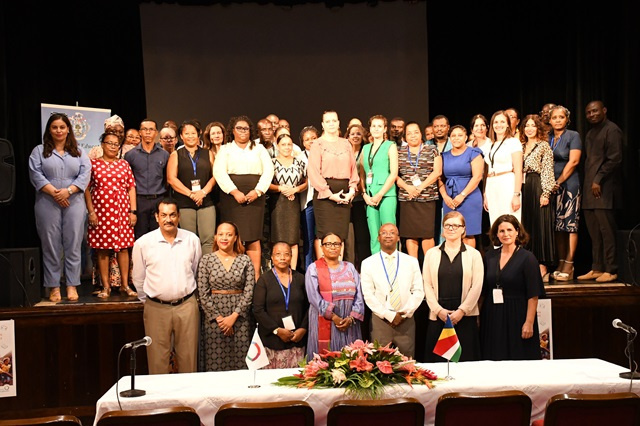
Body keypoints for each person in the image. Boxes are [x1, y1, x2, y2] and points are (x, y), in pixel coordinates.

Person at [132, 198, 202, 374]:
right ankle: (161, 401)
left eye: (172, 215)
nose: (168, 219)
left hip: (187, 306)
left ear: (179, 216)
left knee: (189, 360)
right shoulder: (143, 243)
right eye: (163, 215)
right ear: (157, 217)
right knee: (157, 361)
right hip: (156, 307)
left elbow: (196, 270)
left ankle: (187, 401)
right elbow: (139, 278)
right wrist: (148, 300)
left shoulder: (192, 240)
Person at [28, 113, 91, 302]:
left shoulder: (79, 152)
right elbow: (35, 174)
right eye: (55, 127)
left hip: (75, 202)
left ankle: (72, 285)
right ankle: (54, 286)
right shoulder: (39, 151)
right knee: (51, 245)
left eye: (62, 127)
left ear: (68, 130)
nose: (59, 131)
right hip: (47, 202)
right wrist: (56, 192)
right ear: (49, 129)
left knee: (73, 244)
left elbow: (85, 175)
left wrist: (68, 191)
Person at [213, 115, 274, 280]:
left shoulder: (259, 149)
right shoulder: (225, 150)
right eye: (239, 128)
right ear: (233, 130)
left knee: (253, 238)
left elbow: (269, 171)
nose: (242, 131)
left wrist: (258, 191)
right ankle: (234, 277)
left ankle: (255, 277)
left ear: (251, 131)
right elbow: (219, 172)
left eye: (246, 128)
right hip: (232, 199)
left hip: (255, 198)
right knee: (234, 237)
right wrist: (234, 191)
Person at [480, 214, 544, 361]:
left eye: (509, 230)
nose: (506, 234)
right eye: (501, 231)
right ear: (496, 234)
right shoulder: (489, 257)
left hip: (518, 315)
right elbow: (484, 290)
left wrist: (529, 322)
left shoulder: (528, 258)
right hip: (493, 315)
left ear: (517, 231)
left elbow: (533, 295)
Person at [423, 211, 483, 361]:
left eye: (456, 225)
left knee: (465, 364)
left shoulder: (474, 255)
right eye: (448, 225)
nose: (451, 228)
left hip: (465, 318)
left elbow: (476, 286)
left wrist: (461, 311)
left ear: (463, 229)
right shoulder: (431, 254)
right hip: (439, 317)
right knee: (438, 367)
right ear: (443, 229)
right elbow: (427, 285)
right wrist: (438, 310)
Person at [196, 221, 256, 371]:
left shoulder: (245, 260)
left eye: (229, 235)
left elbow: (249, 291)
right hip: (214, 319)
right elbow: (203, 293)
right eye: (221, 234)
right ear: (215, 237)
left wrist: (234, 317)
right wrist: (219, 319)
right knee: (215, 362)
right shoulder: (206, 260)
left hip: (240, 318)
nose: (224, 238)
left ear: (235, 238)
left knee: (240, 361)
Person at [85, 131, 138, 298]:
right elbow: (86, 189)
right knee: (103, 249)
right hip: (101, 211)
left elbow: (131, 188)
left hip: (122, 210)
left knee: (123, 248)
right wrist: (91, 211)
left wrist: (133, 211)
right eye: (109, 143)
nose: (113, 147)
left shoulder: (124, 165)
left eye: (116, 144)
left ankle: (124, 285)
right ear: (102, 145)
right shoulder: (93, 164)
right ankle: (106, 287)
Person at [360, 224, 424, 358]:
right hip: (380, 321)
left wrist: (404, 313)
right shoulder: (368, 263)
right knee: (379, 363)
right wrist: (389, 315)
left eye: (392, 232)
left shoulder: (411, 261)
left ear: (398, 238)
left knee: (407, 365)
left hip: (405, 320)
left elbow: (418, 291)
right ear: (378, 238)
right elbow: (368, 294)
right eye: (384, 233)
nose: (388, 235)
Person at [577, 100, 623, 283]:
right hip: (590, 191)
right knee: (594, 233)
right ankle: (597, 267)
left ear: (604, 110)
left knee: (607, 231)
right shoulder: (590, 133)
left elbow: (615, 159)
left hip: (604, 189)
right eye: (588, 112)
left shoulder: (612, 130)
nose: (592, 114)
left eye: (595, 111)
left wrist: (598, 179)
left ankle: (611, 269)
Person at [305, 232, 365, 357]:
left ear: (341, 247)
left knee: (350, 363)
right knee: (324, 366)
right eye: (328, 244)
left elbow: (359, 295)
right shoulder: (313, 268)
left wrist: (351, 318)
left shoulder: (350, 268)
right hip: (325, 320)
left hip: (349, 324)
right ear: (321, 247)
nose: (333, 247)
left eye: (336, 244)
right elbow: (313, 297)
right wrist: (333, 317)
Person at [252, 242, 309, 368]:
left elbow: (309, 307)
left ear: (291, 256)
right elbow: (258, 310)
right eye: (278, 254)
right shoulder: (264, 280)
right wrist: (277, 330)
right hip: (272, 341)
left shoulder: (300, 278)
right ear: (271, 257)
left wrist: (303, 329)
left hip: (297, 339)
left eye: (286, 254)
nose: (282, 257)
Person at [307, 110, 359, 248]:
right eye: (328, 121)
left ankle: (339, 269)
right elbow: (313, 172)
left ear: (338, 123)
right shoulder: (317, 144)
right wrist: (330, 195)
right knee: (326, 235)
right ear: (323, 125)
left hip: (344, 193)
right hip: (325, 195)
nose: (331, 124)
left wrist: (352, 190)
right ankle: (324, 269)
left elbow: (353, 169)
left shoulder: (347, 144)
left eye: (334, 121)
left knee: (340, 235)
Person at [167, 120, 216, 255]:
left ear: (198, 134)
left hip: (206, 201)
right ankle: (190, 272)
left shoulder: (208, 153)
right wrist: (191, 194)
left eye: (193, 133)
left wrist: (203, 192)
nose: (190, 136)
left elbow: (215, 176)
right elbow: (171, 179)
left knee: (208, 239)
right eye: (186, 133)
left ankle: (206, 272)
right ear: (181, 136)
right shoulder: (176, 154)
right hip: (184, 202)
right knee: (188, 239)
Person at [396, 121, 441, 258]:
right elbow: (395, 175)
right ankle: (414, 268)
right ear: (404, 137)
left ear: (421, 134)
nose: (413, 136)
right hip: (407, 198)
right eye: (409, 133)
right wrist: (408, 188)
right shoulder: (399, 151)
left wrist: (421, 187)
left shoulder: (432, 149)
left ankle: (429, 269)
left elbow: (437, 171)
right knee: (410, 235)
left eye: (416, 132)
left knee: (427, 234)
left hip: (427, 197)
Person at [519, 114, 556, 282]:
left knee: (540, 225)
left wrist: (546, 192)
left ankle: (542, 266)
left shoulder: (543, 146)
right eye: (527, 126)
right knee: (526, 225)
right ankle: (528, 265)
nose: (530, 128)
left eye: (533, 126)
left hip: (537, 184)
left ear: (538, 128)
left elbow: (548, 170)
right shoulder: (520, 146)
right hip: (522, 187)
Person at [548, 105, 582, 282]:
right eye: (554, 117)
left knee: (569, 225)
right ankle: (561, 262)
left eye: (561, 117)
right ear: (550, 120)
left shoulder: (573, 136)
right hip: (551, 186)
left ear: (567, 119)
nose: (558, 120)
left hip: (568, 185)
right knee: (557, 227)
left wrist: (558, 181)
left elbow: (574, 161)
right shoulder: (548, 137)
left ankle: (569, 264)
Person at [124, 118, 169, 241]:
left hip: (159, 199)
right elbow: (127, 182)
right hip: (139, 200)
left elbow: (167, 178)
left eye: (151, 129)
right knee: (140, 237)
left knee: (159, 236)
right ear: (140, 132)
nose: (148, 132)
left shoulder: (164, 155)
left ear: (156, 133)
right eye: (145, 129)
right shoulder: (130, 155)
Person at [439, 125, 483, 248]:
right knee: (451, 231)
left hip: (469, 197)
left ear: (465, 137)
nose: (456, 138)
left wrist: (462, 195)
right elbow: (439, 178)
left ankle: (469, 264)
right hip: (449, 199)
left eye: (460, 135)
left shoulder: (473, 153)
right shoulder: (444, 155)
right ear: (449, 138)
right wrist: (445, 196)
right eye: (453, 135)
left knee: (468, 233)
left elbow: (477, 176)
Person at [360, 115, 398, 254]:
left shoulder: (390, 146)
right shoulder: (365, 148)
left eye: (379, 126)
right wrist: (364, 193)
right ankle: (376, 268)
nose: (376, 129)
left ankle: (393, 267)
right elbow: (361, 174)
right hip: (370, 196)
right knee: (374, 235)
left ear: (384, 129)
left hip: (386, 195)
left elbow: (394, 173)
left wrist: (380, 194)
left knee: (389, 233)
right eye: (373, 126)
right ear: (370, 128)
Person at [269, 134, 307, 270]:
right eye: (283, 144)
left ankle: (293, 271)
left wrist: (296, 189)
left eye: (289, 144)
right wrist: (281, 189)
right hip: (277, 204)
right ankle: (277, 271)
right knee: (278, 238)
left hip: (293, 203)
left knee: (293, 239)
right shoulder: (271, 162)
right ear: (278, 146)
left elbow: (307, 182)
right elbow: (266, 184)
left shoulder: (299, 162)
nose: (287, 147)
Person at [482, 110, 523, 226]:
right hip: (492, 185)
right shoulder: (490, 145)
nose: (498, 125)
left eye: (502, 122)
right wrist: (486, 194)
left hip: (507, 184)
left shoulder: (513, 142)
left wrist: (516, 194)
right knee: (495, 222)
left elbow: (518, 170)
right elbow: (488, 170)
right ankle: (498, 245)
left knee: (509, 221)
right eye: (496, 122)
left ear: (508, 124)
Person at [345, 122, 371, 270]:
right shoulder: (343, 152)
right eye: (352, 133)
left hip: (361, 199)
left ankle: (363, 268)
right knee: (348, 238)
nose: (355, 136)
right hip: (346, 199)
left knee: (362, 236)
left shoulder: (366, 152)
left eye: (358, 133)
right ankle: (349, 268)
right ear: (347, 136)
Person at [298, 125, 320, 271]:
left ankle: (323, 269)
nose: (311, 142)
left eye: (313, 138)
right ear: (302, 142)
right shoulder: (299, 158)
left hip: (324, 200)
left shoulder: (324, 154)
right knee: (309, 239)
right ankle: (308, 271)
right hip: (307, 202)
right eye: (307, 139)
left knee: (322, 237)